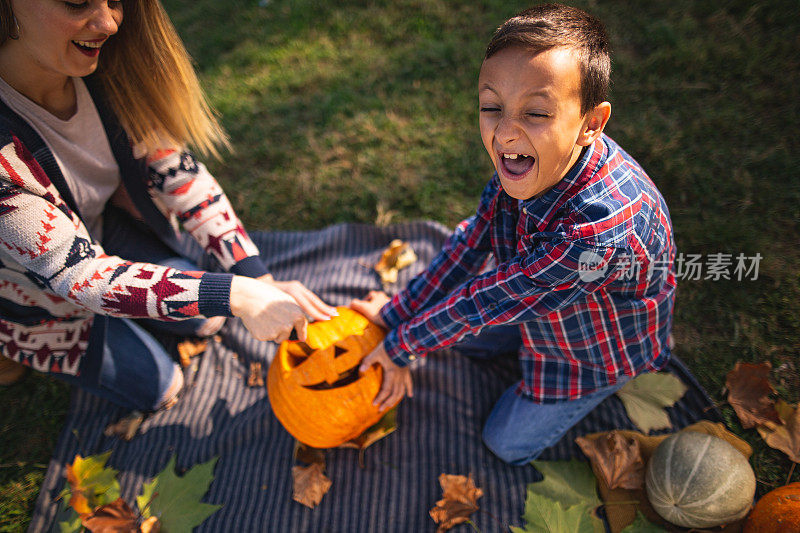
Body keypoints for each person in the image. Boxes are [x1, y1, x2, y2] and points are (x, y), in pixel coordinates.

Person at [352, 4, 676, 465]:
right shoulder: (527, 164)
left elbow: (490, 300)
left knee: (505, 443)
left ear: (591, 124)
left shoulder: (597, 236)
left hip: (592, 351)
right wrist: (397, 313)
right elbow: (471, 242)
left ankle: (610, 384)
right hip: (534, 302)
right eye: (492, 108)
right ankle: (498, 336)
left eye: (536, 113)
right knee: (450, 326)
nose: (505, 132)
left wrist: (399, 347)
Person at [0, 0, 338, 411]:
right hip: (35, 298)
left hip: (101, 231)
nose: (109, 23)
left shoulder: (106, 71)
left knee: (208, 317)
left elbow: (178, 173)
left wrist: (256, 277)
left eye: (115, 0)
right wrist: (239, 294)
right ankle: (14, 342)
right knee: (162, 387)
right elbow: (79, 274)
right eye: (77, 1)